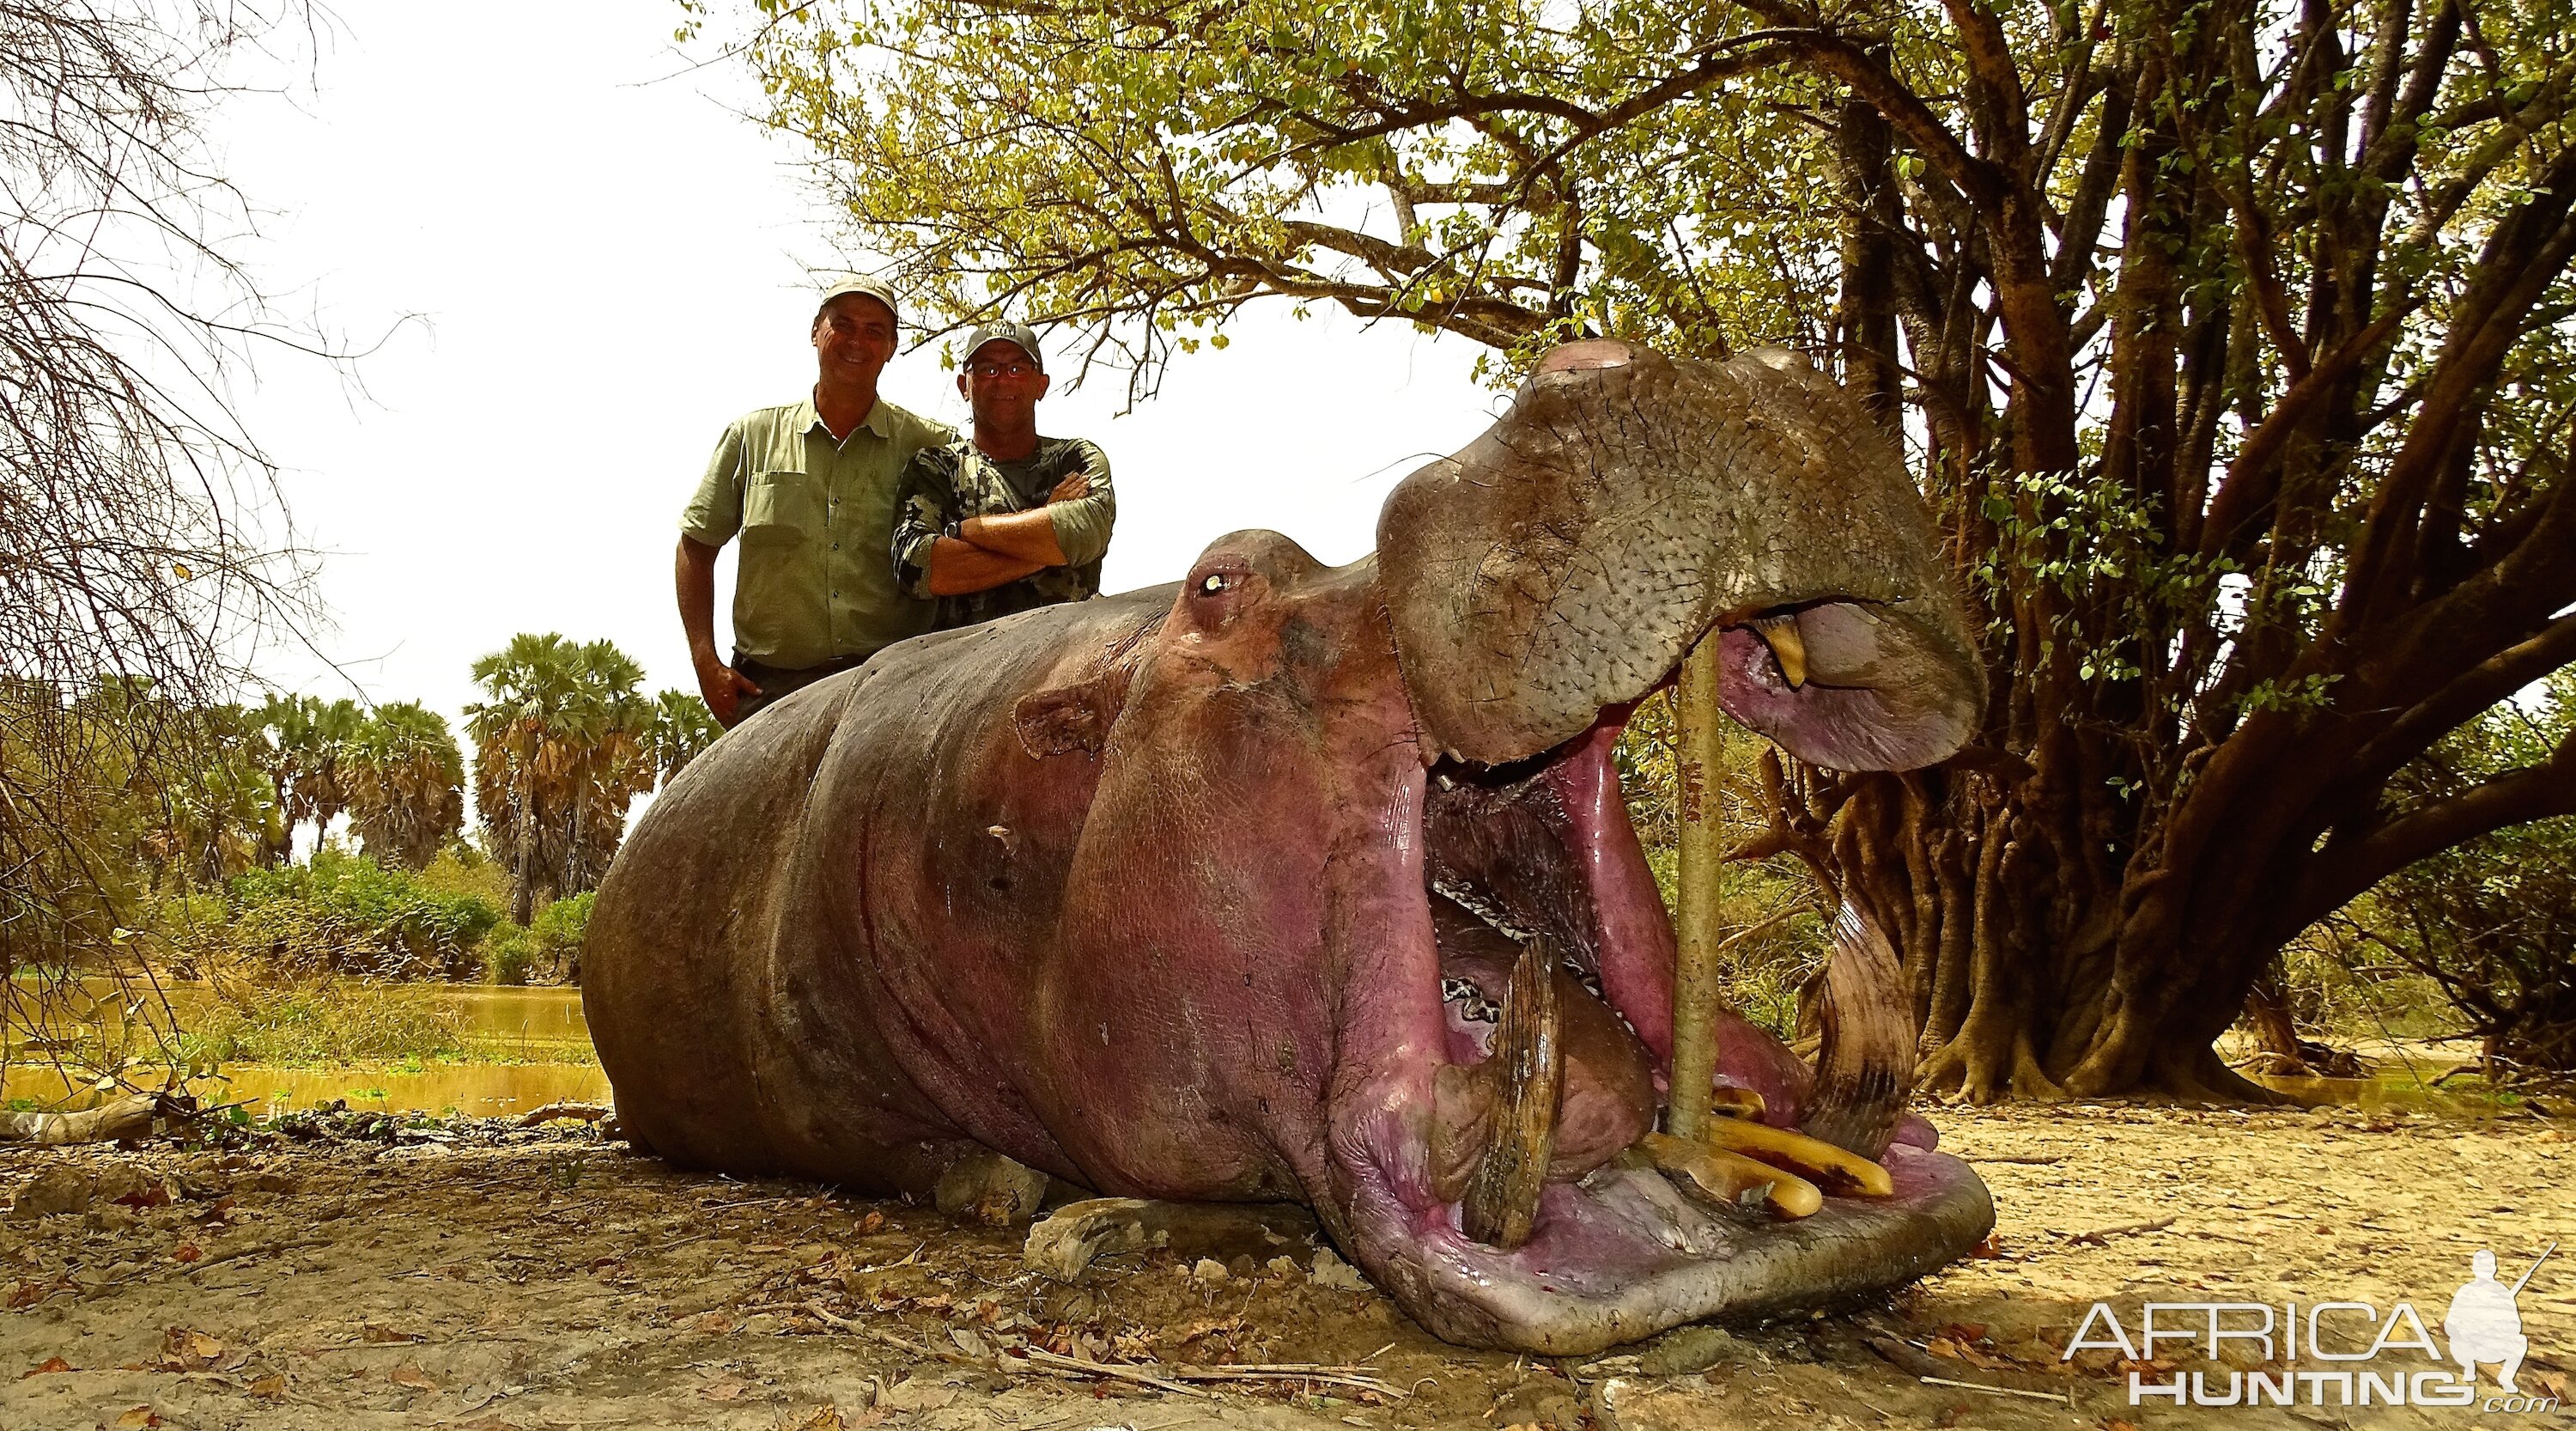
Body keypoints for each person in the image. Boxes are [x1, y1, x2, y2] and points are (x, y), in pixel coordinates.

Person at [676, 277, 955, 727]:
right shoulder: (753, 436)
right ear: (815, 331)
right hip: (770, 693)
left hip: (891, 694)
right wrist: (705, 663)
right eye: (843, 324)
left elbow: (984, 514)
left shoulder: (930, 445)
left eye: (873, 330)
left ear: (890, 347)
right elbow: (695, 546)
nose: (857, 341)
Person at [890, 321, 1115, 630]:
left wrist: (965, 531)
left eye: (1017, 369)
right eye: (988, 370)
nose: (1003, 381)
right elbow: (918, 567)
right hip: (966, 662)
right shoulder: (937, 467)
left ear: (1041, 385)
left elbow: (1086, 533)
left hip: (1068, 650)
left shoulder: (1075, 459)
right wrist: (1048, 537)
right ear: (964, 386)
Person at [2445, 1249, 2530, 1392]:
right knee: (2456, 1340)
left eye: (2487, 1267)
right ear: (2474, 1269)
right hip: (2468, 1347)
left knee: (2520, 1341)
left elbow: (2516, 1326)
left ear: (2494, 1269)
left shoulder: (2502, 1292)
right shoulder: (2465, 1291)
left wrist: (2496, 1328)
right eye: (2481, 1267)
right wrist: (2467, 1331)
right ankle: (2469, 1367)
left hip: (2494, 1347)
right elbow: (2450, 1324)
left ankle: (2506, 1377)